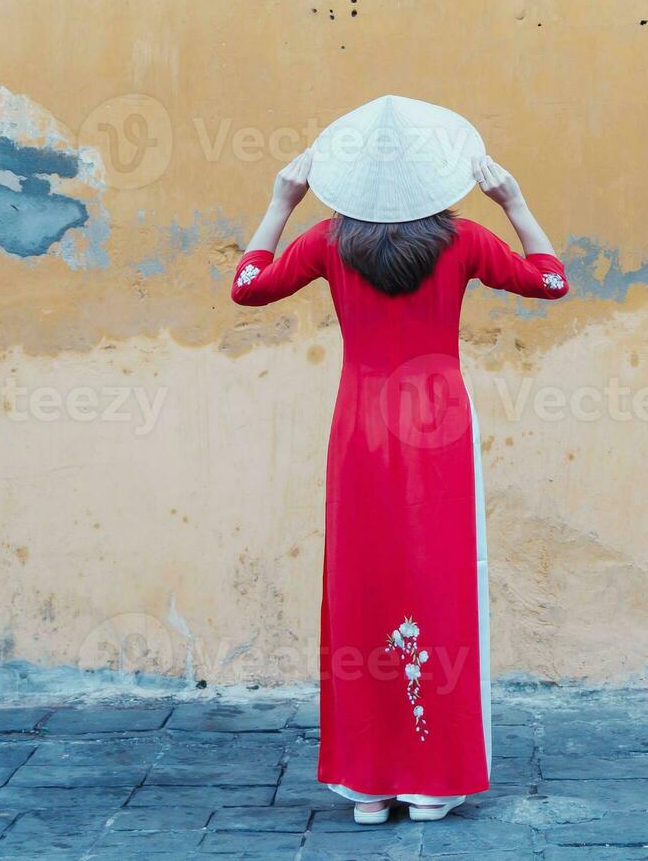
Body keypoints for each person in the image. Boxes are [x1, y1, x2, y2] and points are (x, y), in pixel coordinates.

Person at [229, 95, 568, 824]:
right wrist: (512, 199)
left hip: (359, 425)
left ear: (345, 177)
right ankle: (431, 779)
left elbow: (246, 288)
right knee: (440, 584)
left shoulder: (325, 241)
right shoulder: (465, 242)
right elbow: (551, 280)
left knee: (362, 583)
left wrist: (281, 199)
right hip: (438, 421)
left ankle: (367, 784)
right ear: (435, 173)